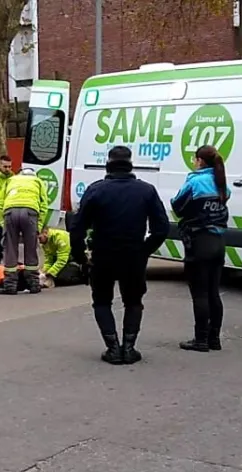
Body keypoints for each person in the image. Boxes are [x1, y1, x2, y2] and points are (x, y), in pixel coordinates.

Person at [69, 145, 169, 365]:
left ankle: (113, 347)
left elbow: (77, 228)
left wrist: (81, 257)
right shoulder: (146, 191)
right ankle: (129, 347)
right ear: (130, 163)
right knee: (133, 301)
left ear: (108, 164)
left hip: (103, 254)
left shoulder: (96, 190)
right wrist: (145, 250)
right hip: (133, 255)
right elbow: (162, 228)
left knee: (102, 301)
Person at [171, 145, 230, 352]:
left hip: (199, 241)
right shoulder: (222, 182)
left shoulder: (195, 181)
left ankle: (201, 339)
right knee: (213, 292)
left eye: (195, 159)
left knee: (200, 293)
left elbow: (178, 205)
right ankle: (214, 338)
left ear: (200, 161)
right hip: (218, 242)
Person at [0, 169, 49, 295]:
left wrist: (4, 224)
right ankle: (33, 284)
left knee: (10, 249)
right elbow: (44, 205)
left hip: (10, 211)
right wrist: (38, 226)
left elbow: (0, 203)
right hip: (30, 212)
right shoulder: (38, 181)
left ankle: (10, 286)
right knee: (31, 249)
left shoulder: (10, 180)